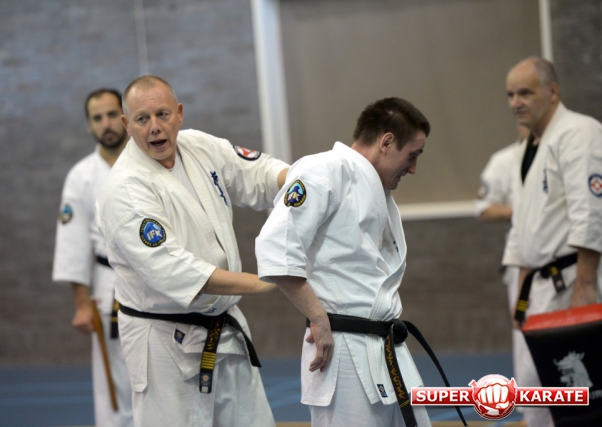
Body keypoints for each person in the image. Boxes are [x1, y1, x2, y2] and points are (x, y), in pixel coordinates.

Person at [95, 75, 288, 427]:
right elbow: (172, 268)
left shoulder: (199, 146)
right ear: (127, 124)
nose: (155, 127)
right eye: (142, 119)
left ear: (179, 113)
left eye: (163, 114)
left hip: (224, 326)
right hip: (163, 342)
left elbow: (258, 173)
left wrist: (304, 182)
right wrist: (261, 282)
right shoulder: (124, 188)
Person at [256, 98, 432, 427]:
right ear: (387, 142)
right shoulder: (322, 171)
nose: (413, 168)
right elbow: (275, 248)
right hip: (341, 351)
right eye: (412, 155)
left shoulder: (373, 187)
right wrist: (317, 317)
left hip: (383, 344)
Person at [502, 57, 602, 427]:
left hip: (570, 283)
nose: (516, 102)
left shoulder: (579, 132)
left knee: (575, 393)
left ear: (553, 91)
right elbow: (524, 224)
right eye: (511, 94)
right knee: (532, 389)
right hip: (536, 288)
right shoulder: (528, 146)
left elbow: (590, 210)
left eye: (525, 93)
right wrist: (521, 296)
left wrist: (585, 287)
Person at [52, 88, 134, 427]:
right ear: (89, 125)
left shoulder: (147, 160)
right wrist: (81, 305)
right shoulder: (81, 176)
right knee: (114, 381)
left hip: (155, 279)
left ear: (125, 118)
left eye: (112, 114)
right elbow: (72, 244)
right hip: (107, 284)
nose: (106, 124)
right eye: (97, 118)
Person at [474, 125, 527, 417]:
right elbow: (483, 208)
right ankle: (532, 408)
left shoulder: (566, 152)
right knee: (525, 333)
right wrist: (523, 211)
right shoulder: (505, 160)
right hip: (522, 264)